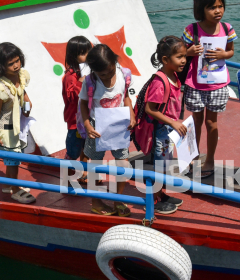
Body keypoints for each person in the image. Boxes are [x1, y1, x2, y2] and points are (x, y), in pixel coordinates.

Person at [182, 0, 238, 179]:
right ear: (201, 9)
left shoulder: (227, 28)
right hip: (195, 84)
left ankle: (210, 158)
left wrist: (224, 54)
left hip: (217, 84)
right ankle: (193, 156)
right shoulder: (192, 30)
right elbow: (181, 52)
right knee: (195, 122)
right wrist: (189, 52)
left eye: (220, 6)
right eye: (212, 7)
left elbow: (231, 50)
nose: (217, 11)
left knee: (212, 123)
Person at [79, 44, 135, 216]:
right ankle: (96, 201)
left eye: (110, 71)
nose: (108, 76)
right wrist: (87, 125)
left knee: (123, 163)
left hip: (119, 125)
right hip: (97, 127)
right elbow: (82, 103)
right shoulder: (90, 82)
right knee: (96, 165)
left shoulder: (124, 75)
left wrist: (131, 115)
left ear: (114, 62)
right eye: (102, 74)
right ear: (94, 71)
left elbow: (125, 97)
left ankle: (118, 199)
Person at [144, 36, 188, 214]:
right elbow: (150, 109)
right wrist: (173, 122)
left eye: (184, 56)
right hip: (162, 131)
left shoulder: (174, 76)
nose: (184, 60)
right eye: (179, 57)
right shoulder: (159, 82)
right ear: (165, 60)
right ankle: (153, 200)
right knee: (159, 166)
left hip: (169, 130)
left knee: (165, 164)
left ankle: (160, 194)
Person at [0, 42, 36, 204]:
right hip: (6, 130)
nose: (16, 66)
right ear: (1, 66)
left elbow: (23, 92)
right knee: (14, 160)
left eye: (17, 61)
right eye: (10, 64)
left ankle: (9, 184)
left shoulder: (21, 76)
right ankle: (16, 190)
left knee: (12, 160)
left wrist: (27, 103)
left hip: (17, 126)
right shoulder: (0, 87)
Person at [63, 36, 93, 162]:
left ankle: (84, 174)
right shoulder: (70, 76)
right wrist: (80, 83)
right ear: (73, 56)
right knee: (73, 152)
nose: (87, 56)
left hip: (88, 119)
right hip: (75, 122)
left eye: (88, 52)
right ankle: (66, 176)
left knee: (87, 149)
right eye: (82, 53)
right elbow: (71, 98)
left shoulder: (92, 71)